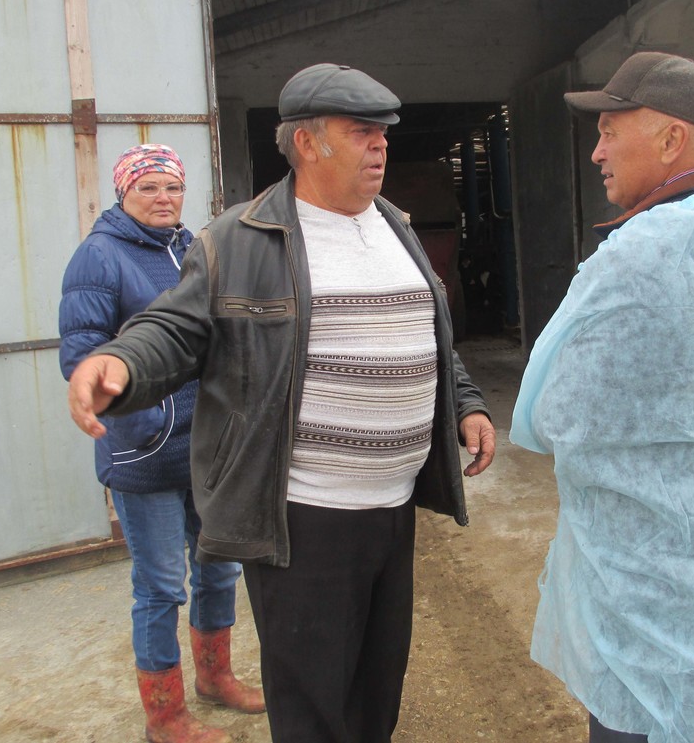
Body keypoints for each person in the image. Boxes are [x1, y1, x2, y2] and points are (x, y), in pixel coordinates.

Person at [66, 65, 497, 743]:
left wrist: (465, 401)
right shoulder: (239, 239)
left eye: (384, 131)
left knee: (377, 684)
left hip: (392, 508)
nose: (381, 144)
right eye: (361, 131)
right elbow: (175, 328)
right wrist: (120, 362)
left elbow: (426, 331)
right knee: (313, 699)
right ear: (306, 143)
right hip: (303, 517)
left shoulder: (394, 225)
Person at [510, 52, 694, 743]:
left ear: (672, 139)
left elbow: (555, 413)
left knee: (636, 714)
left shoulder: (640, 252)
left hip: (645, 579)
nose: (596, 153)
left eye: (610, 132)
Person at [59, 144, 265, 743]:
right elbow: (83, 356)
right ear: (123, 193)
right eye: (147, 188)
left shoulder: (191, 249)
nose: (163, 199)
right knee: (160, 586)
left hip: (204, 448)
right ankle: (164, 715)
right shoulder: (99, 257)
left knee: (219, 569)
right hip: (145, 449)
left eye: (172, 187)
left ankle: (216, 678)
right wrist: (140, 401)